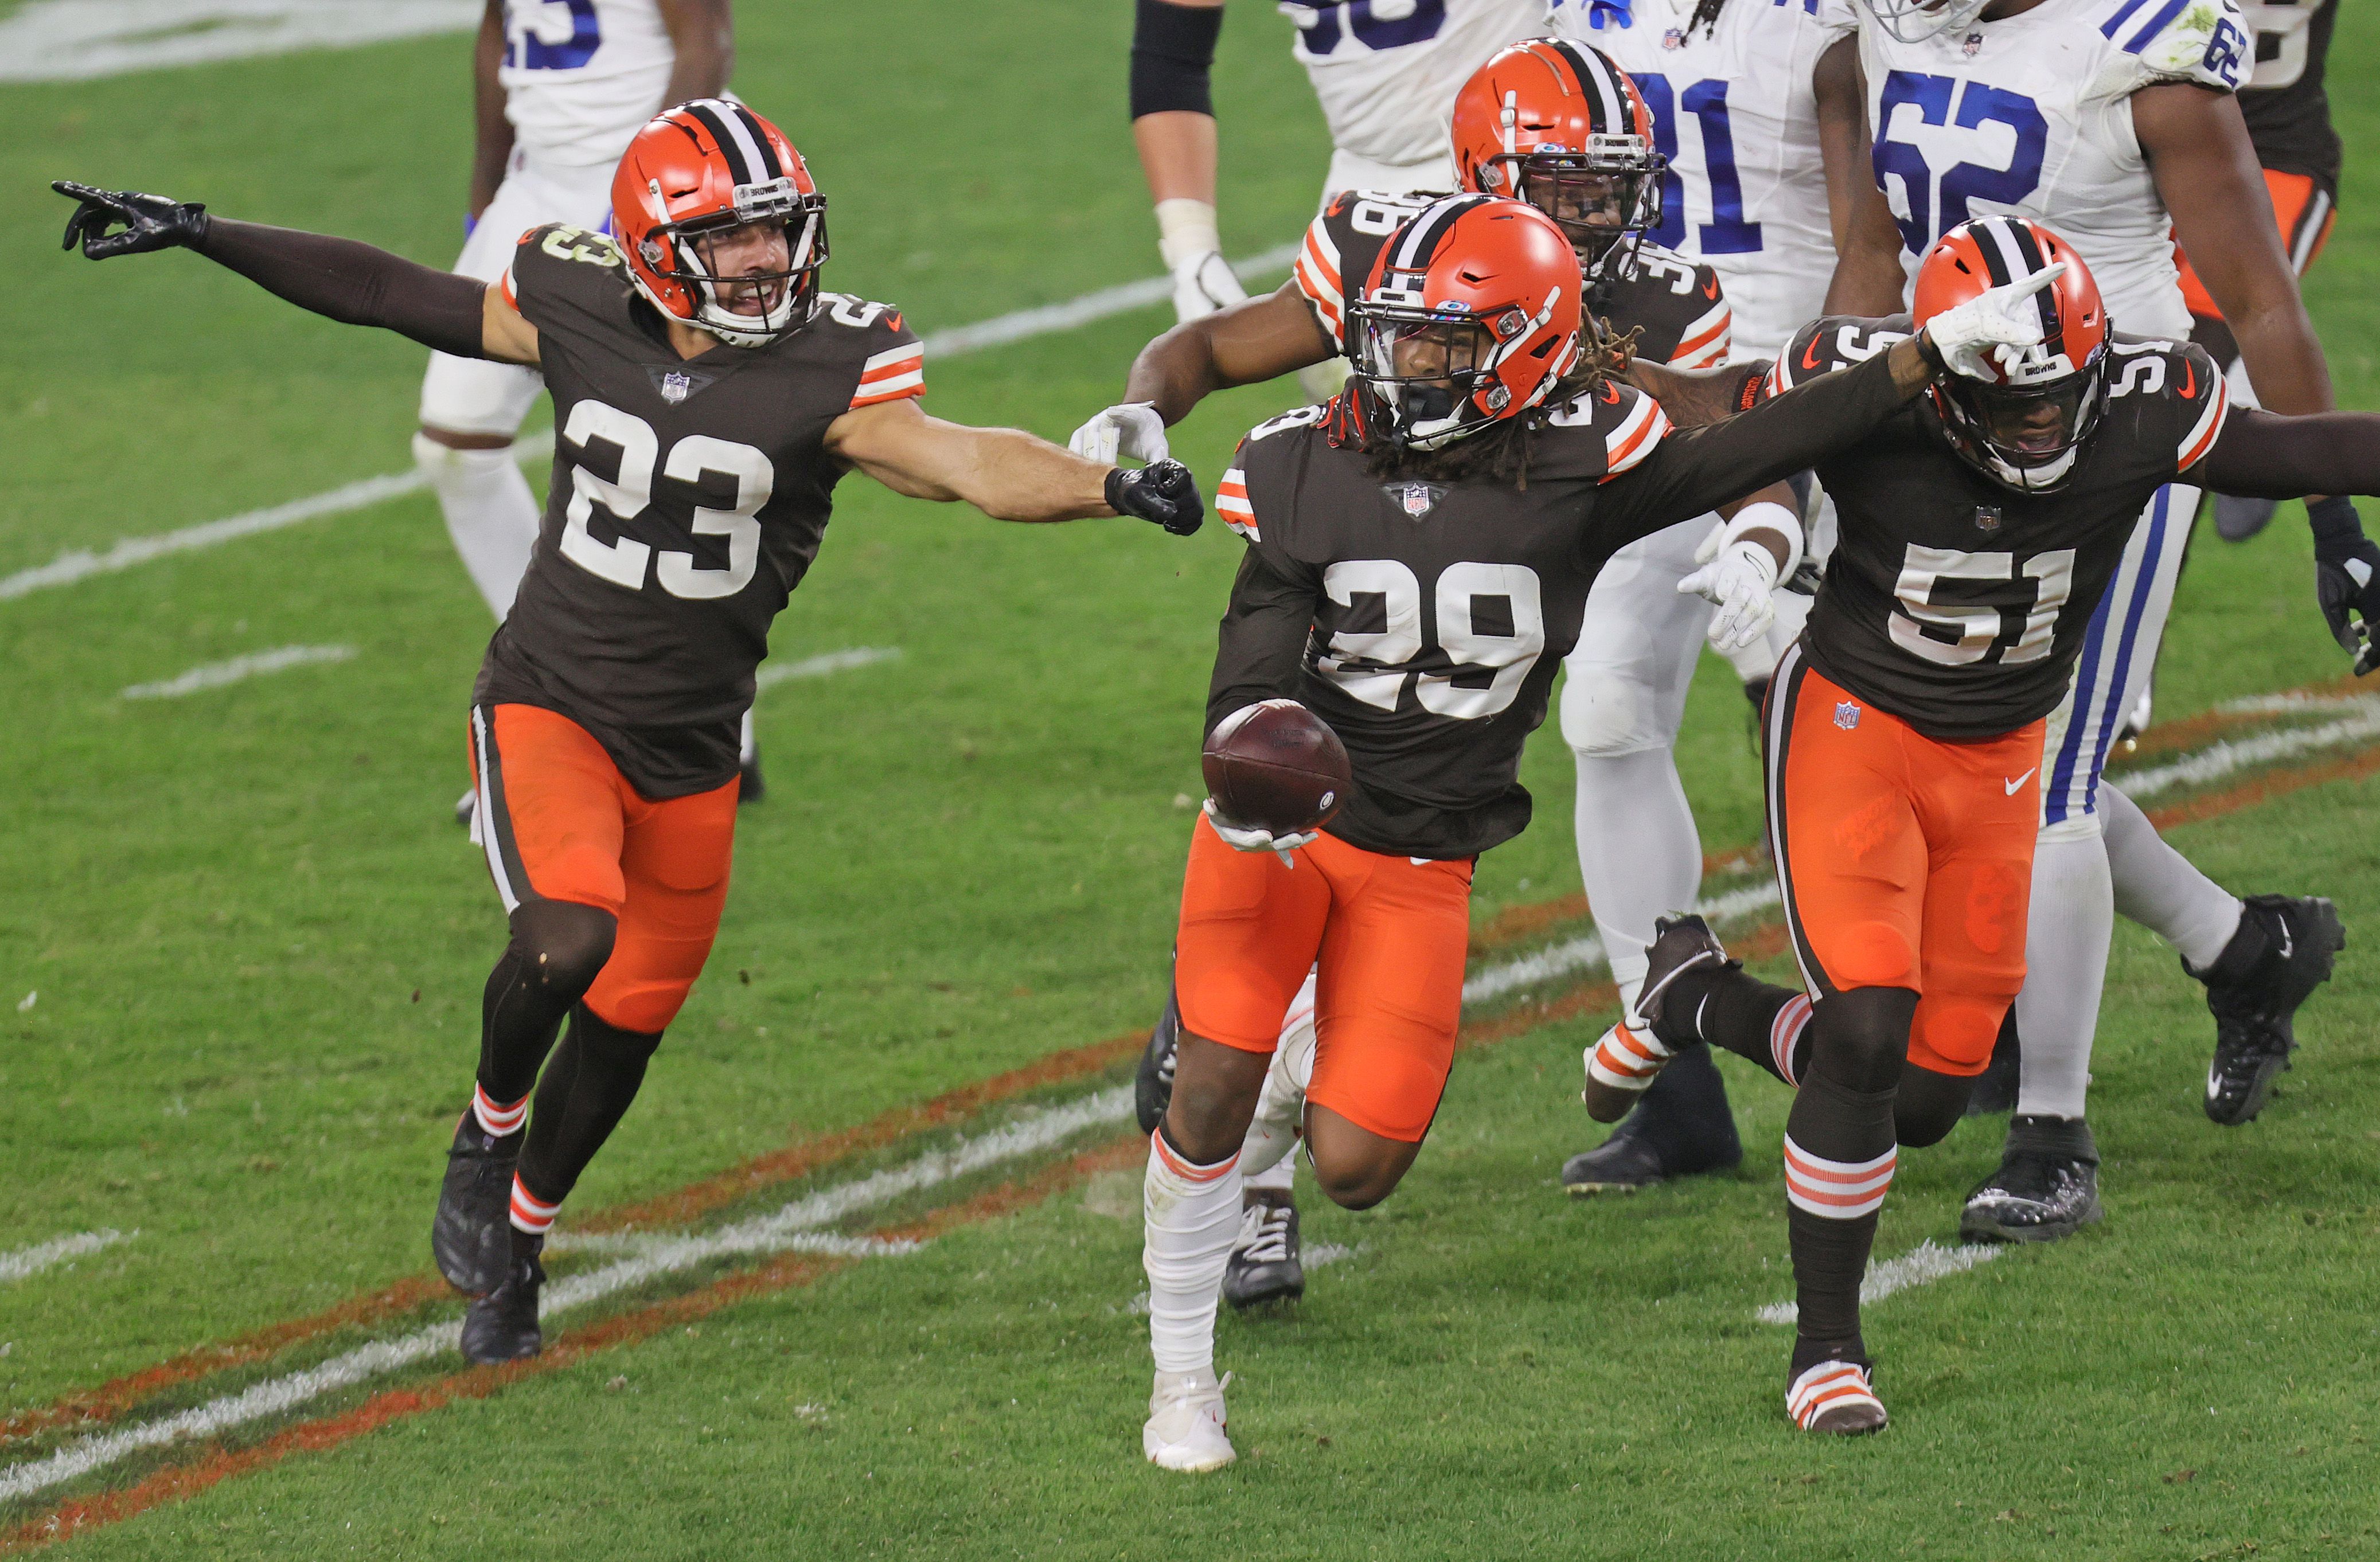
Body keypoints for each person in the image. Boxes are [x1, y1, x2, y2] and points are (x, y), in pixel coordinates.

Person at [56, 99, 1204, 1367]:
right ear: (656, 249)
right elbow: (388, 292)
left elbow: (966, 466)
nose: (768, 260)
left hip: (696, 749)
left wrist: (1108, 489)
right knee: (566, 938)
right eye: (734, 239)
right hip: (552, 699)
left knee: (624, 1033)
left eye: (777, 231)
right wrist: (207, 232)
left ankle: (522, 1251)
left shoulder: (839, 364)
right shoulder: (575, 295)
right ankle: (486, 1130)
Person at [1136, 192, 2061, 1472]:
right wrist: (1252, 762)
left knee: (1358, 1167)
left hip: (1426, 859)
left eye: (1443, 346)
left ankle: (1288, 1067)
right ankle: (1183, 1381)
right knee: (1210, 1086)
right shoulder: (1305, 460)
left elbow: (1761, 439)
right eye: (1398, 337)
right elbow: (1250, 667)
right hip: (1284, 834)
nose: (1406, 366)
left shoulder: (1584, 460)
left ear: (1521, 350)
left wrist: (1920, 356)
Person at [1613, 217, 2380, 1436]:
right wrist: (1759, 455)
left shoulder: (2137, 395)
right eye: (2011, 406)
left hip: (2003, 757)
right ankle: (1828, 1351)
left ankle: (1697, 994)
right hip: (1856, 733)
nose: (2039, 427)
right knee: (1864, 1031)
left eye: (2057, 399)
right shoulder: (1876, 383)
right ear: (1947, 372)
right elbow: (1731, 429)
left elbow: (2287, 447)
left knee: (1920, 1095)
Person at [1087, 37, 1750, 1307]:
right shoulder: (1387, 251)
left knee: (1579, 725)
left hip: (1522, 562)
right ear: (1484, 172)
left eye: (1611, 186)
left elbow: (1716, 420)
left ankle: (1264, 1090)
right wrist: (1145, 403)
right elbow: (1219, 348)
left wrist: (1793, 485)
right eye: (1565, 188)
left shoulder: (1663, 294)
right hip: (1354, 574)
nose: (1595, 213)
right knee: (1297, 812)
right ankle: (1252, 1184)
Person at [1823, 0, 2380, 1244]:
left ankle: (2054, 1133)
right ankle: (2244, 949)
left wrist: (2333, 519)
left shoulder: (2139, 48)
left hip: (2113, 433)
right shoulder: (1882, 30)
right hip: (1949, 432)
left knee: (2047, 787)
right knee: (1991, 759)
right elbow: (1873, 261)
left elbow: (2257, 298)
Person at [1537, 0, 1890, 1197]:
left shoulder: (1839, 18)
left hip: (1791, 393)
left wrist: (1827, 397)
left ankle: (2187, 953)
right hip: (1640, 385)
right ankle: (1675, 1073)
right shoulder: (1579, 12)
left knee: (1891, 723)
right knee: (1607, 708)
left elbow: (1871, 229)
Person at [432, 3, 747, 818]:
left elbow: (703, 42)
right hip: (535, 190)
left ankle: (693, 719)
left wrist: (647, 204)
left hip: (645, 192)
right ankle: (566, 696)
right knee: (454, 445)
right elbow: (500, 31)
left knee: (664, 462)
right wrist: (486, 188)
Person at [2196, 0, 2380, 541]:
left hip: (2275, 148)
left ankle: (2254, 426)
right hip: (2138, 147)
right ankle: (2245, 403)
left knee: (2189, 362)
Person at [1126, 0, 1546, 323]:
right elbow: (1172, 55)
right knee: (1357, 406)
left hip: (1521, 162)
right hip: (1364, 180)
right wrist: (1191, 246)